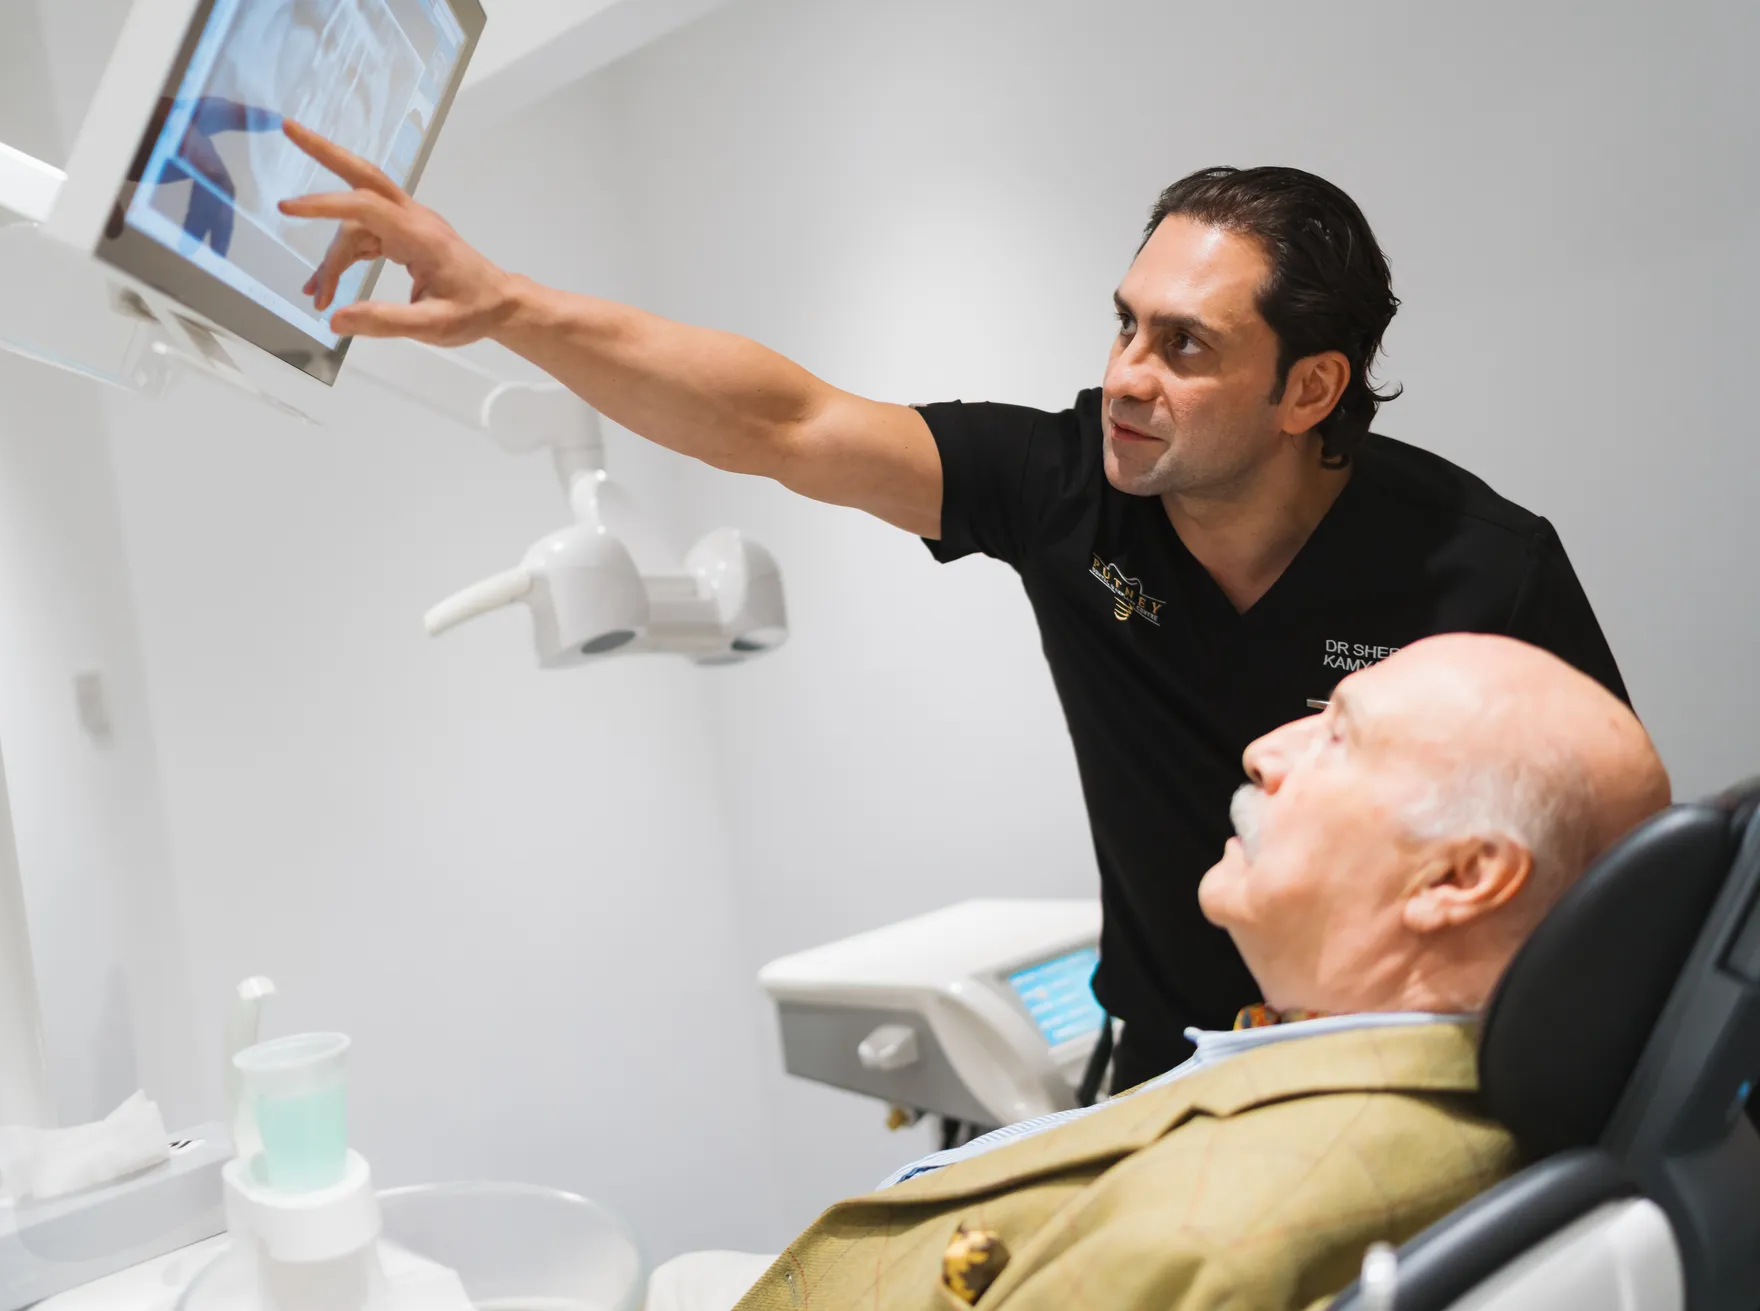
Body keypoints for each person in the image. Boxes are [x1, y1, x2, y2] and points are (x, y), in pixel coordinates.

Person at [273, 122, 1633, 1090]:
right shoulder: (1065, 490)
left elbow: (1600, 858)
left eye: (1185, 346)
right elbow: (784, 419)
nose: (1125, 376)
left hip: (1408, 1076)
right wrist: (506, 301)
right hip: (1167, 1071)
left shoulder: (1479, 567)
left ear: (1311, 390)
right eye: (1125, 324)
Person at [647, 633, 1670, 1311]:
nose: (1270, 747)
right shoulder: (1431, 1075)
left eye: (1340, 733)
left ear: (1459, 877)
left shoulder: (1204, 1242)